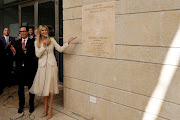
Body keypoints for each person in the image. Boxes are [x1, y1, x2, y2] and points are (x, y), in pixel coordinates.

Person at [29, 25, 76, 119]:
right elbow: (38, 55)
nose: (44, 31)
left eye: (45, 30)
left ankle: (50, 110)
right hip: (42, 67)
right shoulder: (36, 42)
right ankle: (45, 109)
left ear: (47, 31)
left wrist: (68, 42)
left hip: (52, 66)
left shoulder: (52, 40)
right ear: (39, 32)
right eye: (42, 30)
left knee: (50, 90)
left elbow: (60, 49)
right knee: (45, 89)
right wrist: (43, 46)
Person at [10, 26, 37, 113]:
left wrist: (24, 50)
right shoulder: (16, 42)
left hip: (29, 69)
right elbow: (16, 58)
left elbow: (33, 56)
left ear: (27, 32)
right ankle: (21, 105)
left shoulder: (32, 42)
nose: (22, 33)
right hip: (19, 70)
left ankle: (31, 105)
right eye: (21, 31)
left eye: (24, 31)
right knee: (20, 89)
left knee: (31, 88)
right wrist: (14, 53)